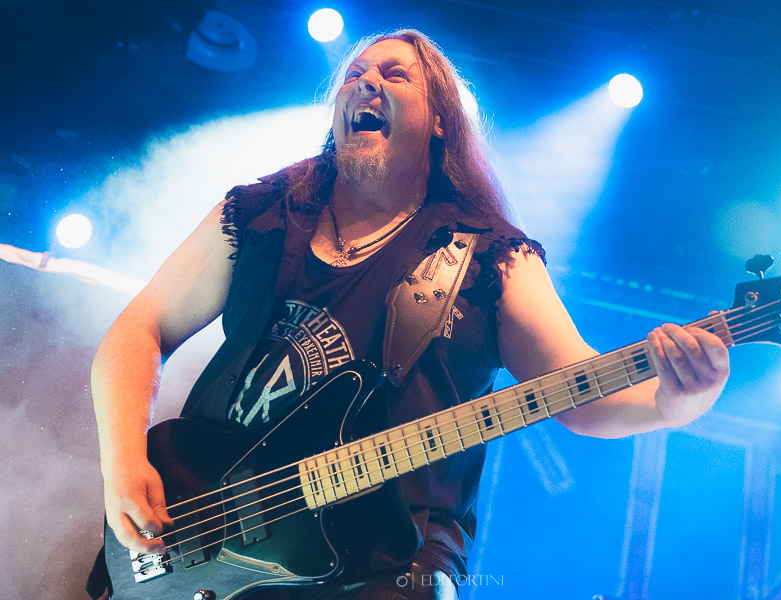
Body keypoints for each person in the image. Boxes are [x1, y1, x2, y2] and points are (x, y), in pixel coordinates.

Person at [89, 29, 729, 600]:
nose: (366, 82)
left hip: (393, 559)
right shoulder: (264, 211)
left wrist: (674, 402)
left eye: (395, 75)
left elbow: (577, 391)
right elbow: (140, 328)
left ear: (440, 121)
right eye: (354, 74)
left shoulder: (490, 257)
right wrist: (123, 465)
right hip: (207, 526)